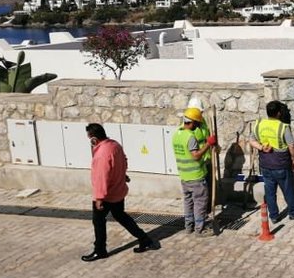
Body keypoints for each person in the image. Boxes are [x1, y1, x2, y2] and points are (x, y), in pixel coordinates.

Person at [81, 123, 160, 262]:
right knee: (121, 216)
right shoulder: (114, 145)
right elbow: (123, 161)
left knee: (98, 221)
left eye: (89, 139)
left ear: (94, 139)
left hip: (107, 195)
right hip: (118, 190)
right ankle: (144, 239)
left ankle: (100, 250)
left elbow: (101, 177)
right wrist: (122, 175)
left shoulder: (101, 154)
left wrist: (99, 198)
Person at [249, 100, 294, 223]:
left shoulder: (259, 124)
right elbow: (291, 145)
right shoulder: (283, 127)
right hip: (281, 165)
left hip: (266, 165)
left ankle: (273, 216)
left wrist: (261, 147)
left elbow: (251, 140)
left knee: (270, 192)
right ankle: (293, 213)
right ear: (278, 113)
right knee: (288, 190)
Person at [172, 108, 217, 236]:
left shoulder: (176, 135)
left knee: (188, 202)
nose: (197, 126)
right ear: (191, 122)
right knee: (200, 203)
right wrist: (208, 144)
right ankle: (200, 229)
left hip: (184, 176)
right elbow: (196, 155)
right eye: (196, 123)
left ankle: (188, 226)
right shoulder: (190, 137)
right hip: (196, 176)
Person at [186, 97, 215, 217]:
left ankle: (206, 212)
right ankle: (199, 219)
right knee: (199, 196)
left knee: (207, 191)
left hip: (206, 160)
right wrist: (208, 143)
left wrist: (213, 144)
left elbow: (207, 137)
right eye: (200, 112)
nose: (201, 114)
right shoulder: (188, 127)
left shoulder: (202, 122)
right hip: (197, 164)